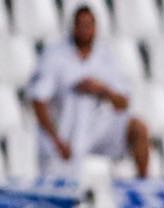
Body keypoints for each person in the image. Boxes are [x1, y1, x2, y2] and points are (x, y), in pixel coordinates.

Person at [26, 3, 150, 178]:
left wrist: (101, 90)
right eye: (81, 25)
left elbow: (123, 103)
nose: (86, 30)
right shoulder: (54, 56)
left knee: (138, 128)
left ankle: (144, 186)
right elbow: (38, 101)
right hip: (64, 132)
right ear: (73, 27)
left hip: (97, 129)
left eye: (89, 25)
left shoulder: (106, 56)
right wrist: (56, 140)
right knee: (61, 187)